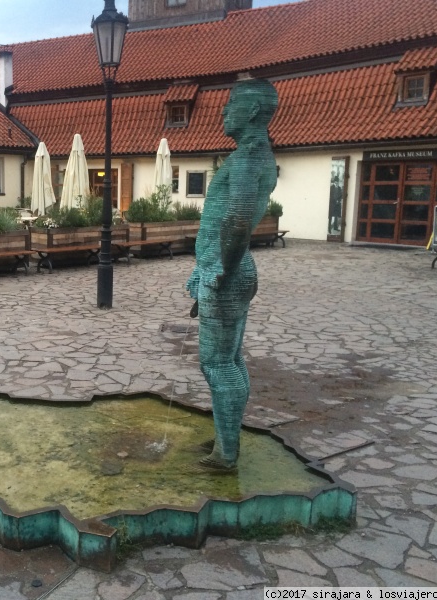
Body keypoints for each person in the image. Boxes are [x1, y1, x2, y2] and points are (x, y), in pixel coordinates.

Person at [186, 78, 278, 471]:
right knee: (230, 358)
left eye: (230, 106)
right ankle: (227, 436)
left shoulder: (247, 160)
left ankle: (226, 453)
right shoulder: (256, 156)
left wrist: (219, 270)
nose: (223, 113)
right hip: (233, 269)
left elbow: (239, 220)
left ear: (254, 111)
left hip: (229, 270)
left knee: (216, 363)